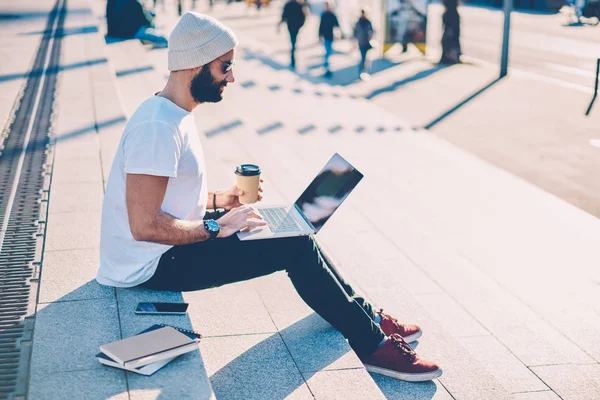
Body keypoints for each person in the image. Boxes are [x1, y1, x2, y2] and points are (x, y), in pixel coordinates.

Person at [96, 11, 443, 383]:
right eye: (225, 66)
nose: (232, 76)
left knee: (297, 230)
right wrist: (215, 227)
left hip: (161, 252)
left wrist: (219, 201)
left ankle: (365, 315)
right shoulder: (157, 128)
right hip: (150, 266)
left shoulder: (173, 113)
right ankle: (373, 345)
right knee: (294, 246)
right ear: (194, 64)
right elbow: (144, 224)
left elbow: (164, 197)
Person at [279, 0, 307, 69]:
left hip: (292, 26)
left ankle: (293, 55)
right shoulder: (298, 5)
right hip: (294, 27)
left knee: (293, 41)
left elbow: (284, 15)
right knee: (293, 41)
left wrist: (280, 23)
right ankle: (293, 55)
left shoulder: (291, 4)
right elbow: (303, 17)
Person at [319, 2, 341, 78]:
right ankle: (327, 68)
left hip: (331, 36)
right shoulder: (323, 15)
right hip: (325, 36)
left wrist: (338, 33)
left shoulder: (332, 15)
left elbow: (337, 25)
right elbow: (320, 26)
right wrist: (320, 35)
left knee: (328, 52)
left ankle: (327, 67)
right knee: (327, 52)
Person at [353, 9, 374, 80]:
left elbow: (372, 31)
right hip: (361, 43)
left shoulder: (368, 22)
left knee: (367, 59)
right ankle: (361, 72)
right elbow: (355, 33)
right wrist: (355, 42)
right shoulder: (358, 23)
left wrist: (371, 38)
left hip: (367, 43)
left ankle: (365, 72)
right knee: (363, 58)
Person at [439, 0, 461, 64]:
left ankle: (451, 57)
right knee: (450, 40)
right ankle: (451, 56)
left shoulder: (450, 12)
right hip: (451, 15)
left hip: (451, 16)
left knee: (449, 40)